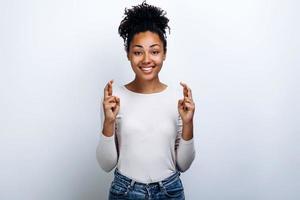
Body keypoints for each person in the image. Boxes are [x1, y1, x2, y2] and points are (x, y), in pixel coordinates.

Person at [96, 1, 196, 199]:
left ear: (164, 54)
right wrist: (108, 121)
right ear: (128, 54)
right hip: (125, 191)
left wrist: (188, 123)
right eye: (138, 52)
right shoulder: (114, 97)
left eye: (155, 51)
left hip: (170, 191)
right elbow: (106, 164)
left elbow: (183, 165)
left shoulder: (178, 98)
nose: (146, 59)